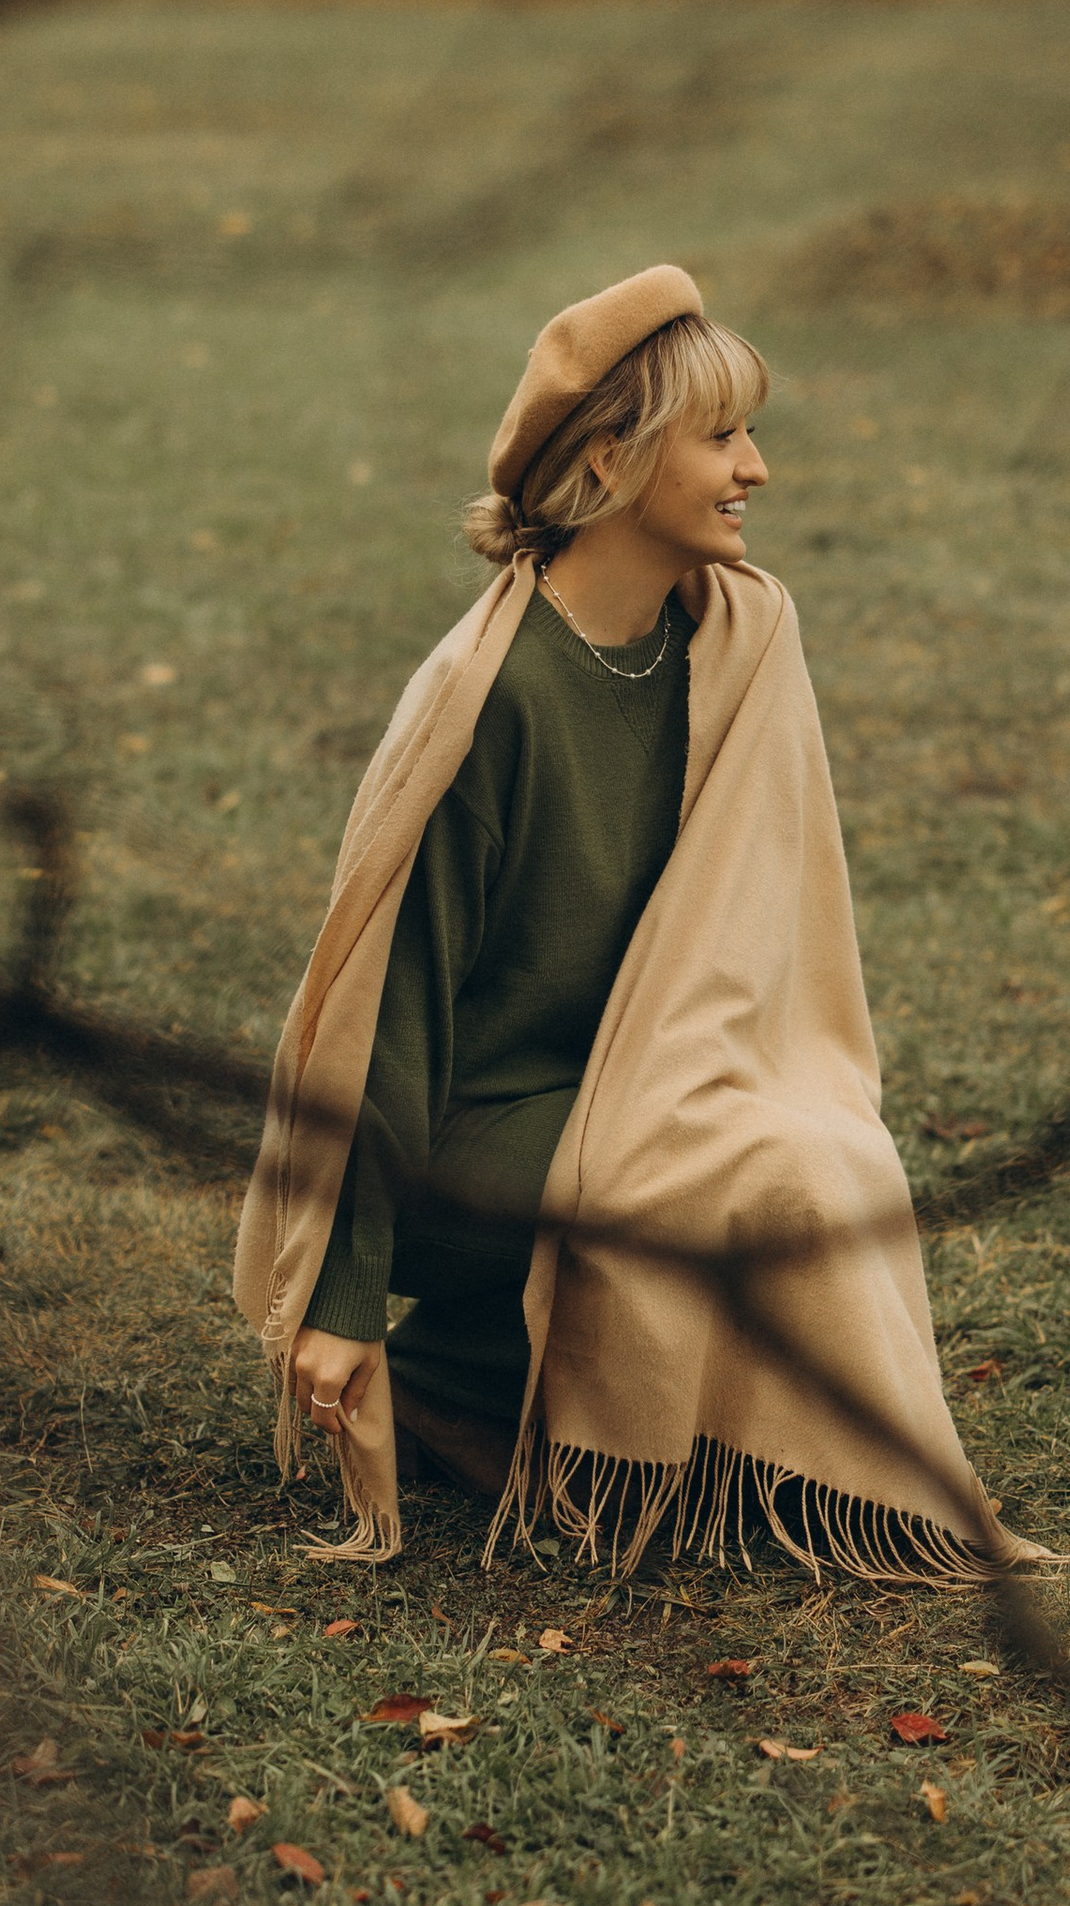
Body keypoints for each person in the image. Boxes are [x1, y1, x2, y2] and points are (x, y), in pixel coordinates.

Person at [233, 264, 1021, 1579]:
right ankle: (461, 1379)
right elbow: (394, 1009)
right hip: (460, 1137)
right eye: (721, 437)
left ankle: (494, 1388)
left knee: (825, 1149)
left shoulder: (731, 639)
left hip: (641, 1078)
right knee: (731, 1181)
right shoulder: (490, 699)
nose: (755, 468)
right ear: (613, 459)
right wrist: (341, 1298)